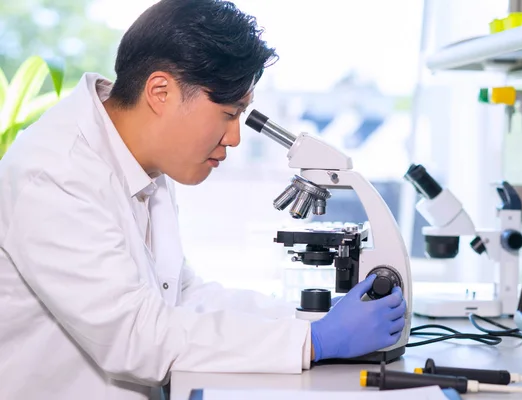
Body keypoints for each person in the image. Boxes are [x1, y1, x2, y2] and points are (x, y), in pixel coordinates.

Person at [0, 1, 407, 399]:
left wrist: (302, 318)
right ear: (161, 92)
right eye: (230, 113)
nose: (234, 137)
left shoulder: (144, 163)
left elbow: (184, 296)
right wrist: (314, 341)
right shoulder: (55, 172)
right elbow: (136, 338)